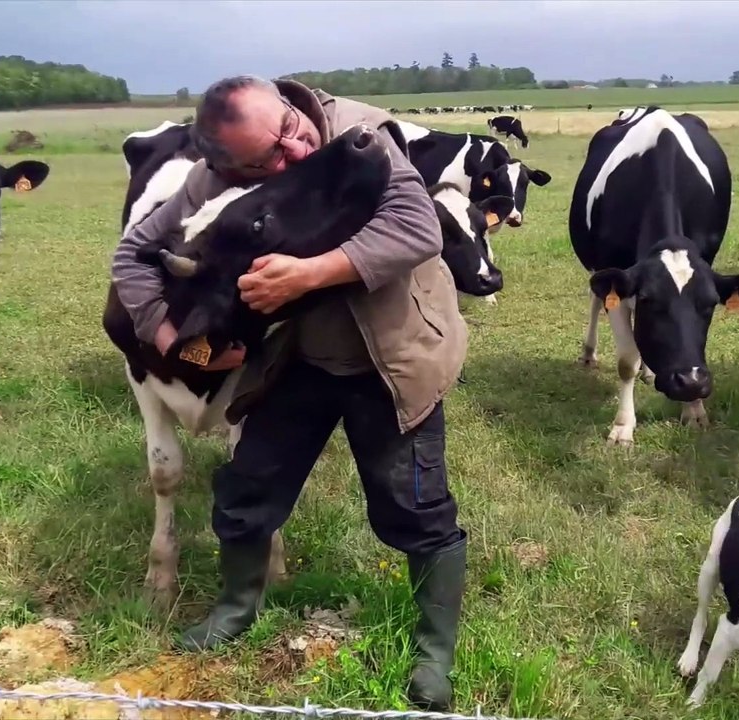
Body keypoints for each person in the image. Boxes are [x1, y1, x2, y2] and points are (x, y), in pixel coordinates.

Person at [110, 75, 470, 711]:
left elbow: (419, 228)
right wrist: (170, 338)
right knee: (249, 487)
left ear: (285, 103)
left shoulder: (362, 136)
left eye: (289, 130)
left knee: (412, 503)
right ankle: (235, 610)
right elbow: (133, 254)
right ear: (227, 168)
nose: (294, 154)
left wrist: (306, 275)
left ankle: (434, 652)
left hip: (392, 354)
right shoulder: (211, 178)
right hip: (294, 359)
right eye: (268, 160)